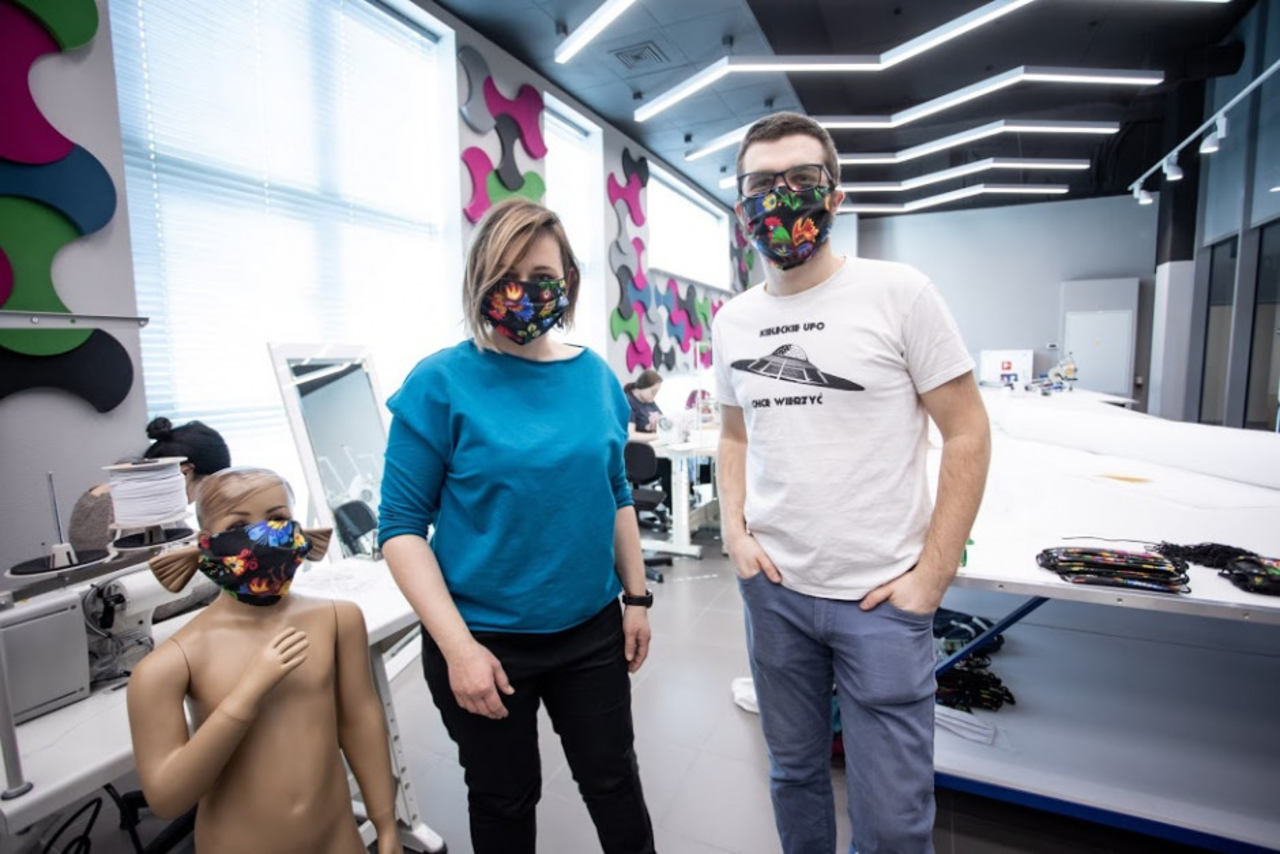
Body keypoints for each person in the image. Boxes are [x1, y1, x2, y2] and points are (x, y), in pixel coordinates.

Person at [712, 112, 991, 854]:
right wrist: (735, 533)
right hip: (775, 594)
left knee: (894, 820)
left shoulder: (901, 293)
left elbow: (968, 430)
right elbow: (734, 434)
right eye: (762, 184)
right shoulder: (733, 321)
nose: (781, 196)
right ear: (741, 207)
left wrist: (931, 578)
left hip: (883, 600)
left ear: (835, 195)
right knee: (793, 775)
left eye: (802, 179)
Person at [377, 198, 656, 854]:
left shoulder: (595, 378)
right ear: (479, 278)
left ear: (569, 283)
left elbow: (615, 490)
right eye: (505, 275)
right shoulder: (440, 383)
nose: (522, 292)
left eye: (541, 277)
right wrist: (458, 650)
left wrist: (637, 598)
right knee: (504, 798)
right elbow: (401, 527)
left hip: (590, 631)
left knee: (613, 782)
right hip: (484, 640)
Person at [126, 466, 403, 853]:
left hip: (338, 837)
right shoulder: (173, 663)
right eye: (238, 525)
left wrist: (386, 823)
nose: (263, 536)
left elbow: (360, 721)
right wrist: (246, 695)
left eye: (278, 519)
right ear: (205, 542)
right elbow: (167, 799)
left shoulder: (337, 620)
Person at [68, 417, 231, 553]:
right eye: (208, 485)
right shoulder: (142, 512)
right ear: (185, 472)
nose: (204, 496)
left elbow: (186, 537)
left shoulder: (105, 495)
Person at [622, 369, 675, 508]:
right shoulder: (629, 402)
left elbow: (663, 422)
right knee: (670, 466)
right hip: (636, 461)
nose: (654, 395)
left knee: (674, 462)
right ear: (642, 387)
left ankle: (675, 505)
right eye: (653, 391)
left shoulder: (649, 401)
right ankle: (672, 508)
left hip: (653, 452)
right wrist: (658, 436)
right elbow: (630, 435)